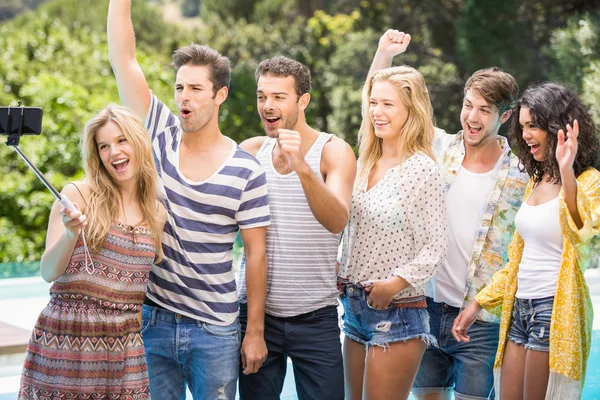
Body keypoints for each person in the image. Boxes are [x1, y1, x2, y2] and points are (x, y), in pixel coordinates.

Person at [107, 1, 270, 398]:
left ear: (220, 95)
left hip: (215, 329)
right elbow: (123, 59)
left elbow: (257, 256)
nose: (185, 96)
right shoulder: (159, 133)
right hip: (153, 321)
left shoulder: (246, 170)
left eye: (196, 88)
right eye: (180, 87)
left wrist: (254, 333)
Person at [364, 30, 529, 400]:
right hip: (424, 306)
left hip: (480, 319)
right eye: (468, 104)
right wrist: (384, 56)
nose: (472, 117)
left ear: (505, 116)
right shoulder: (436, 148)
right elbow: (377, 106)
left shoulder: (521, 175)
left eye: (484, 110)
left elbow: (522, 251)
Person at [453, 82, 600, 400]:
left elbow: (581, 229)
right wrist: (477, 304)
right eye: (522, 127)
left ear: (557, 126)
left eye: (534, 126)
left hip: (552, 309)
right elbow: (516, 261)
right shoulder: (536, 180)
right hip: (519, 309)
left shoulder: (588, 180)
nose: (527, 135)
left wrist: (567, 171)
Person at [19, 105, 167, 399]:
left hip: (125, 351)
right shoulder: (78, 195)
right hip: (66, 345)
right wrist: (71, 234)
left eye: (122, 140)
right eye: (104, 146)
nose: (114, 152)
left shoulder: (156, 213)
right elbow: (48, 272)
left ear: (138, 142)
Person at [237, 56, 356, 400]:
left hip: (316, 321)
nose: (267, 106)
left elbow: (337, 220)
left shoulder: (334, 152)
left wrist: (303, 167)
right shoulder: (251, 153)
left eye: (278, 97)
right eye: (262, 96)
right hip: (258, 319)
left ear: (302, 100)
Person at [337, 60, 448, 398]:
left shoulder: (422, 170)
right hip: (353, 309)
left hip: (398, 314)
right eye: (373, 103)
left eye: (387, 104)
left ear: (410, 110)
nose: (376, 112)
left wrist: (393, 285)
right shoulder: (366, 158)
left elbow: (435, 246)